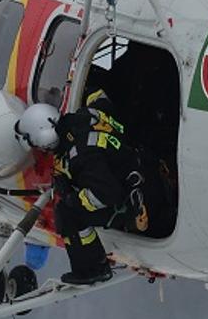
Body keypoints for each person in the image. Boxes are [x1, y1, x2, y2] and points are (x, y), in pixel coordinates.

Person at [14, 90, 163, 285]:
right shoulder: (87, 117)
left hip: (134, 202)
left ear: (46, 139)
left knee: (66, 214)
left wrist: (74, 200)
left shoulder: (81, 156)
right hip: (145, 171)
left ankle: (93, 268)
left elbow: (107, 194)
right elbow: (101, 100)